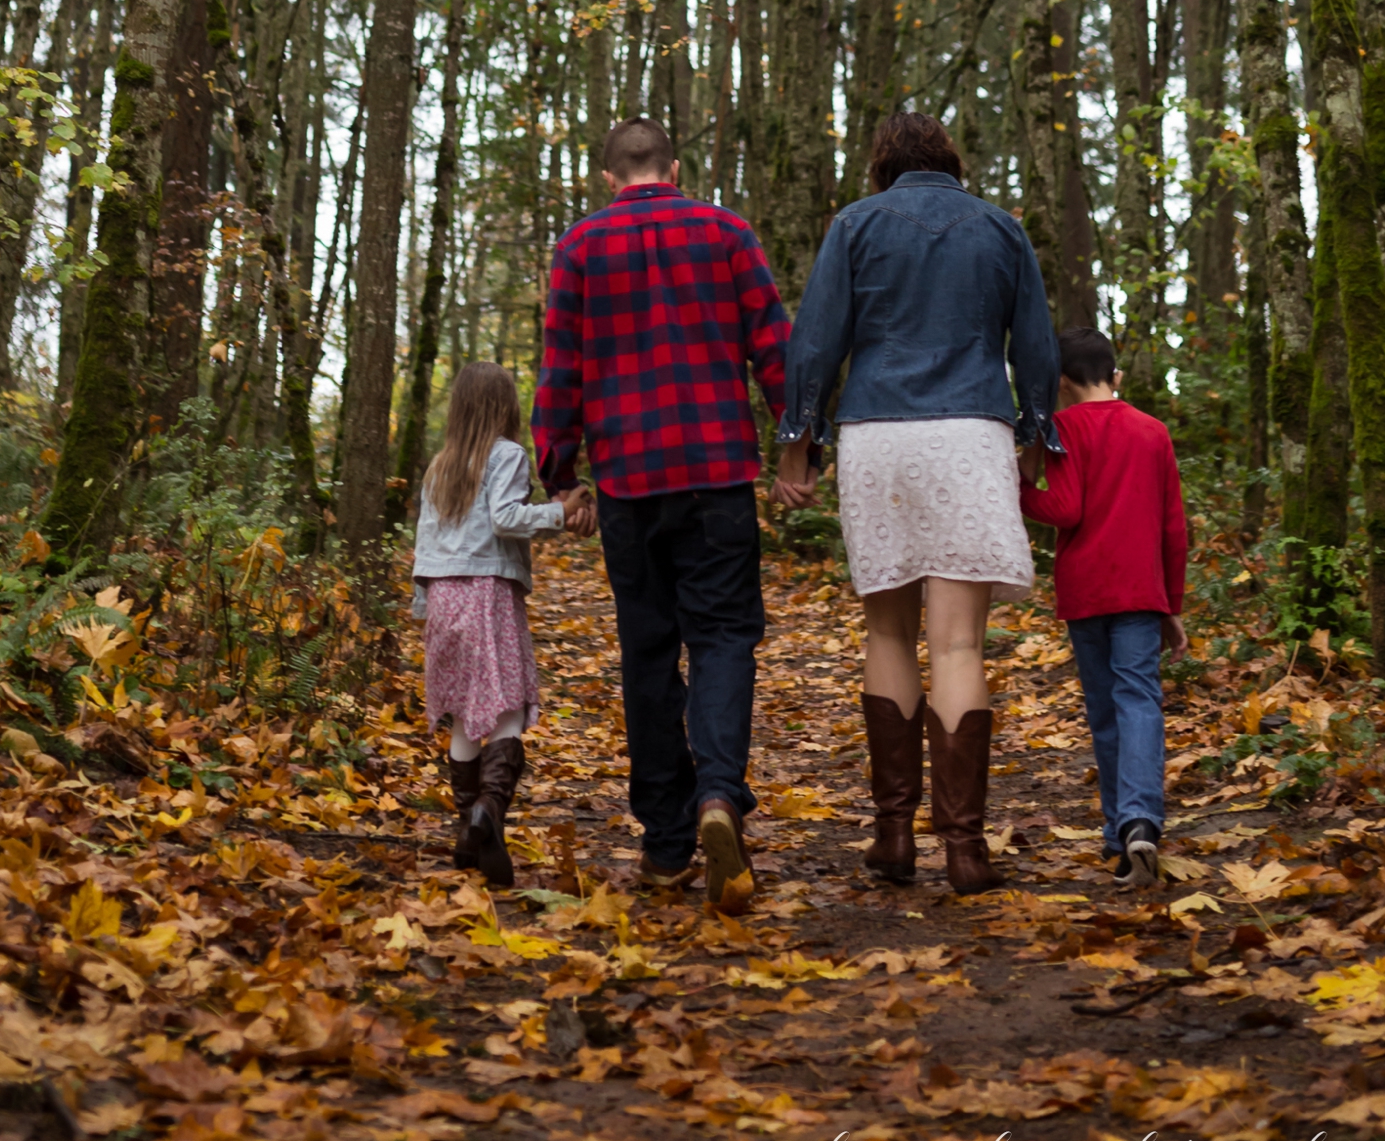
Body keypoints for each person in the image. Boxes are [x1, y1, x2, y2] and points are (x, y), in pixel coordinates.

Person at [773, 111, 1059, 895]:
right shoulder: (1000, 230)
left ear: (882, 165)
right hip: (970, 430)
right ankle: (965, 849)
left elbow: (817, 339)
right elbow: (1035, 342)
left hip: (878, 433)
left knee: (888, 630)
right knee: (959, 645)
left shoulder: (857, 225)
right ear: (951, 160)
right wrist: (1039, 434)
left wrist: (798, 442)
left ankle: (894, 837)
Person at [534, 117, 790, 914]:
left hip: (630, 485)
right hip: (716, 475)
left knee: (647, 653)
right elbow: (775, 344)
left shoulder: (579, 247)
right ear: (673, 168)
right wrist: (797, 445)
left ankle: (666, 844)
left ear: (610, 177)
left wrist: (561, 473)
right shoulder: (726, 231)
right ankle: (718, 794)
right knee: (721, 637)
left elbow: (559, 370)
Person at [1017, 323, 1188, 889]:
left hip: (1087, 590)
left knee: (1105, 711)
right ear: (1116, 375)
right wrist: (1173, 604)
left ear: (1061, 382)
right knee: (1140, 699)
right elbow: (1173, 528)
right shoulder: (1153, 431)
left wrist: (1018, 484)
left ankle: (1120, 833)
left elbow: (1064, 510)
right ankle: (1141, 821)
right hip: (1142, 591)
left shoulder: (1062, 428)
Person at [413, 360, 587, 888]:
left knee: (465, 714)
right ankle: (488, 811)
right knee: (507, 706)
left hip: (444, 597)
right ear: (505, 406)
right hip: (487, 592)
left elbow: (424, 543)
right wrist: (558, 513)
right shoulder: (507, 454)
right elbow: (506, 517)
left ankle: (468, 837)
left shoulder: (440, 464)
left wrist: (423, 611)